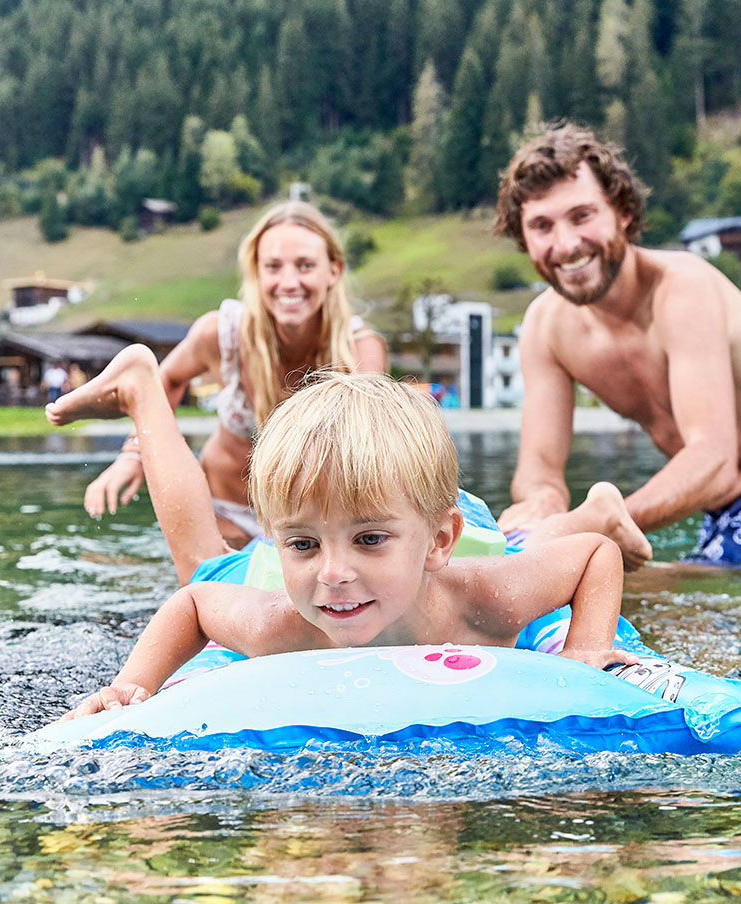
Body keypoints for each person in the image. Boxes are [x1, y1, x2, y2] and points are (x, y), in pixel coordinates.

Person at [47, 345, 635, 719]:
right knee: (203, 565)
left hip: (460, 524)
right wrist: (131, 687)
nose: (332, 574)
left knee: (521, 538)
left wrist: (585, 652)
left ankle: (596, 506)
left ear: (438, 542)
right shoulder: (282, 622)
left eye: (367, 541)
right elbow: (196, 602)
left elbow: (593, 558)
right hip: (375, 517)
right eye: (302, 545)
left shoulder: (484, 599)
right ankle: (142, 388)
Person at [494, 124, 741, 570]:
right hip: (724, 509)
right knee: (571, 589)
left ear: (623, 213)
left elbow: (713, 459)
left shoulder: (683, 289)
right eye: (541, 226)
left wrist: (594, 526)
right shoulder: (544, 327)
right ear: (523, 237)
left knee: (609, 596)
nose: (566, 243)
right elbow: (539, 465)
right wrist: (542, 505)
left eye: (582, 216)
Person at [59, 201, 387, 546]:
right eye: (273, 266)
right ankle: (135, 378)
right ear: (256, 272)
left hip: (316, 531)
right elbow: (167, 380)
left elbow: (367, 454)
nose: (289, 282)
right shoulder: (223, 334)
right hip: (224, 515)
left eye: (305, 266)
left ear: (333, 271)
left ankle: (133, 373)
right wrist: (134, 454)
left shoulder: (358, 351)